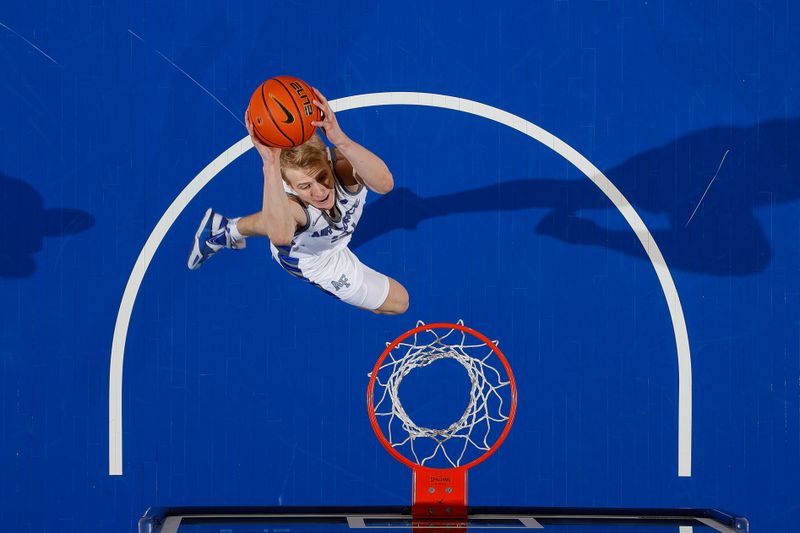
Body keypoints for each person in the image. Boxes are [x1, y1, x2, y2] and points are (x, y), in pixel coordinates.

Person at [187, 88, 409, 315]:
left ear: (327, 161)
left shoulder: (342, 166)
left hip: (322, 224)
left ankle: (226, 229)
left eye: (322, 177)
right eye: (305, 186)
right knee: (398, 303)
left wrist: (340, 139)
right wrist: (270, 165)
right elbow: (280, 237)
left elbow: (384, 184)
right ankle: (227, 231)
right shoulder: (294, 208)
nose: (320, 191)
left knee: (293, 217)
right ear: (290, 186)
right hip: (315, 259)